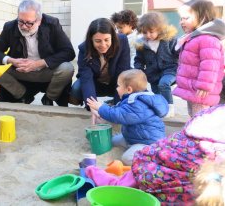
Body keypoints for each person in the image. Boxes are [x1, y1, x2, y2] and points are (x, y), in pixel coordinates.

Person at [85, 104, 225, 204]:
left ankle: (91, 170)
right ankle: (93, 171)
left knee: (121, 183)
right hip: (158, 168)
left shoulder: (207, 114)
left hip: (151, 161)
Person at [0, 0, 75, 106]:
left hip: (46, 71)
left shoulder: (52, 24)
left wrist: (38, 63)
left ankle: (49, 97)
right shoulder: (10, 26)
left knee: (67, 68)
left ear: (39, 20)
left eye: (29, 23)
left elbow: (69, 52)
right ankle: (22, 94)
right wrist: (11, 60)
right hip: (20, 70)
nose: (23, 26)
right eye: (21, 21)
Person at [87, 69, 167, 165]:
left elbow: (119, 115)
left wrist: (101, 108)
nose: (116, 88)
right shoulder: (134, 99)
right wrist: (103, 110)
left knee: (126, 158)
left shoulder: (138, 104)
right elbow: (119, 110)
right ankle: (132, 146)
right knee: (111, 141)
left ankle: (153, 158)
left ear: (129, 89)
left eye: (118, 86)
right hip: (133, 137)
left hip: (148, 142)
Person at [173, 0, 225, 117]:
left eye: (186, 18)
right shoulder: (194, 37)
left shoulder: (207, 39)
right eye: (181, 18)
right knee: (194, 117)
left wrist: (204, 86)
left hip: (201, 92)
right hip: (193, 89)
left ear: (202, 18)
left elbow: (210, 64)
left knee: (200, 120)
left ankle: (199, 136)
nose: (181, 22)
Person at [69, 18, 130, 108]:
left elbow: (122, 73)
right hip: (96, 83)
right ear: (91, 40)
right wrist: (93, 107)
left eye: (107, 40)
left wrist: (118, 107)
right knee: (77, 88)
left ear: (112, 37)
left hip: (115, 82)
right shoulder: (84, 49)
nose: (103, 45)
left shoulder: (122, 41)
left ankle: (118, 101)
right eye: (98, 41)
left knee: (133, 80)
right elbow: (86, 78)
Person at [134, 12, 179, 117]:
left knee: (164, 84)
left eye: (151, 32)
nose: (148, 35)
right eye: (145, 32)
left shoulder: (169, 40)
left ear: (159, 29)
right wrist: (139, 69)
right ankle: (160, 109)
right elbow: (139, 59)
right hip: (153, 73)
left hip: (170, 69)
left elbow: (178, 53)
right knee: (157, 93)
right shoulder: (141, 44)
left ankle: (170, 108)